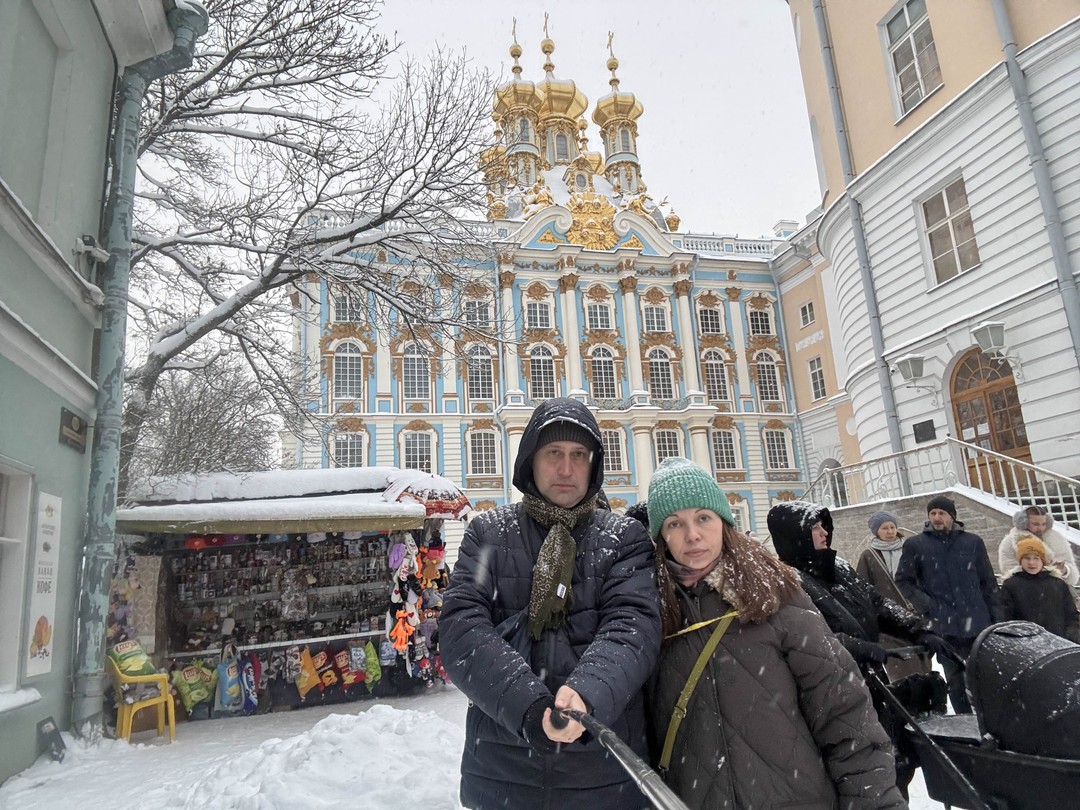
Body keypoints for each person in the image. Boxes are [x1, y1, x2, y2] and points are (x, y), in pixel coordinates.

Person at [439, 397, 662, 810]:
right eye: (553, 453)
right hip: (505, 769)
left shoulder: (623, 539)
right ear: (531, 460)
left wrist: (585, 697)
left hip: (603, 775)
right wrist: (529, 705)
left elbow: (632, 628)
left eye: (579, 455)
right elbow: (461, 629)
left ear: (594, 466)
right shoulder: (489, 533)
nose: (566, 468)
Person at [645, 458, 904, 809]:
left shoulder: (776, 596)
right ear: (661, 535)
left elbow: (844, 714)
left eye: (703, 517)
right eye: (675, 523)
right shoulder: (650, 612)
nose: (692, 535)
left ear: (724, 522)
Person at [768, 500, 949, 799]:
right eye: (814, 528)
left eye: (823, 525)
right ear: (795, 535)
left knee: (889, 760)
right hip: (831, 690)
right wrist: (854, 647)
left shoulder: (836, 566)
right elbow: (803, 637)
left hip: (870, 681)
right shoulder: (787, 581)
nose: (824, 532)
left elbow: (877, 604)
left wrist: (918, 629)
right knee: (856, 766)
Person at [895, 494, 998, 714]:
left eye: (941, 513)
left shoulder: (973, 542)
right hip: (945, 627)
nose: (936, 517)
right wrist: (928, 605)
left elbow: (988, 582)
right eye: (932, 513)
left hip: (978, 624)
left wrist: (996, 617)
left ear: (952, 516)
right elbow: (903, 580)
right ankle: (965, 724)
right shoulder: (916, 545)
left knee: (984, 679)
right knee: (955, 682)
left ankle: (990, 725)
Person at [856, 511, 933, 682]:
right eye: (884, 528)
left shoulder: (911, 550)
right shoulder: (869, 556)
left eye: (892, 527)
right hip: (890, 624)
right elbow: (862, 588)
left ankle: (929, 705)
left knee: (925, 668)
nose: (890, 531)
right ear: (876, 531)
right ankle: (910, 705)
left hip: (917, 618)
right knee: (904, 671)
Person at [997, 535, 1080, 642]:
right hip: (1026, 643)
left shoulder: (1058, 584)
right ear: (1020, 560)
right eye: (1027, 558)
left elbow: (1071, 615)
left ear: (1043, 561)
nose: (1031, 563)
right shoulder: (1011, 585)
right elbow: (1006, 617)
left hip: (1059, 641)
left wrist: (1072, 637)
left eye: (1036, 558)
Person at [998, 506, 1078, 586]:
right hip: (1026, 590)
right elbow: (1008, 569)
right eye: (1035, 524)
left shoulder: (1057, 538)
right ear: (1024, 522)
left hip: (1058, 591)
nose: (1040, 528)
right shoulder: (1010, 542)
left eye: (1043, 524)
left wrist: (1064, 570)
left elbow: (1069, 564)